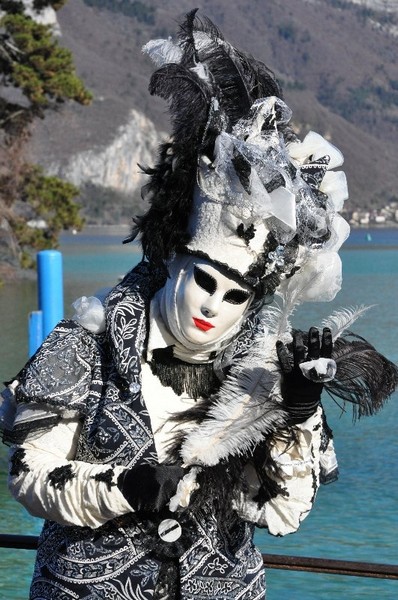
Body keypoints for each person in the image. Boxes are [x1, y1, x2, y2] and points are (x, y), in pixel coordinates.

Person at [1, 10, 397, 600]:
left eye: (237, 293)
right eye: (206, 280)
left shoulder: (259, 368)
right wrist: (125, 489)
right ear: (175, 259)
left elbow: (283, 513)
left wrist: (297, 412)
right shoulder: (88, 343)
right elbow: (30, 477)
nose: (216, 304)